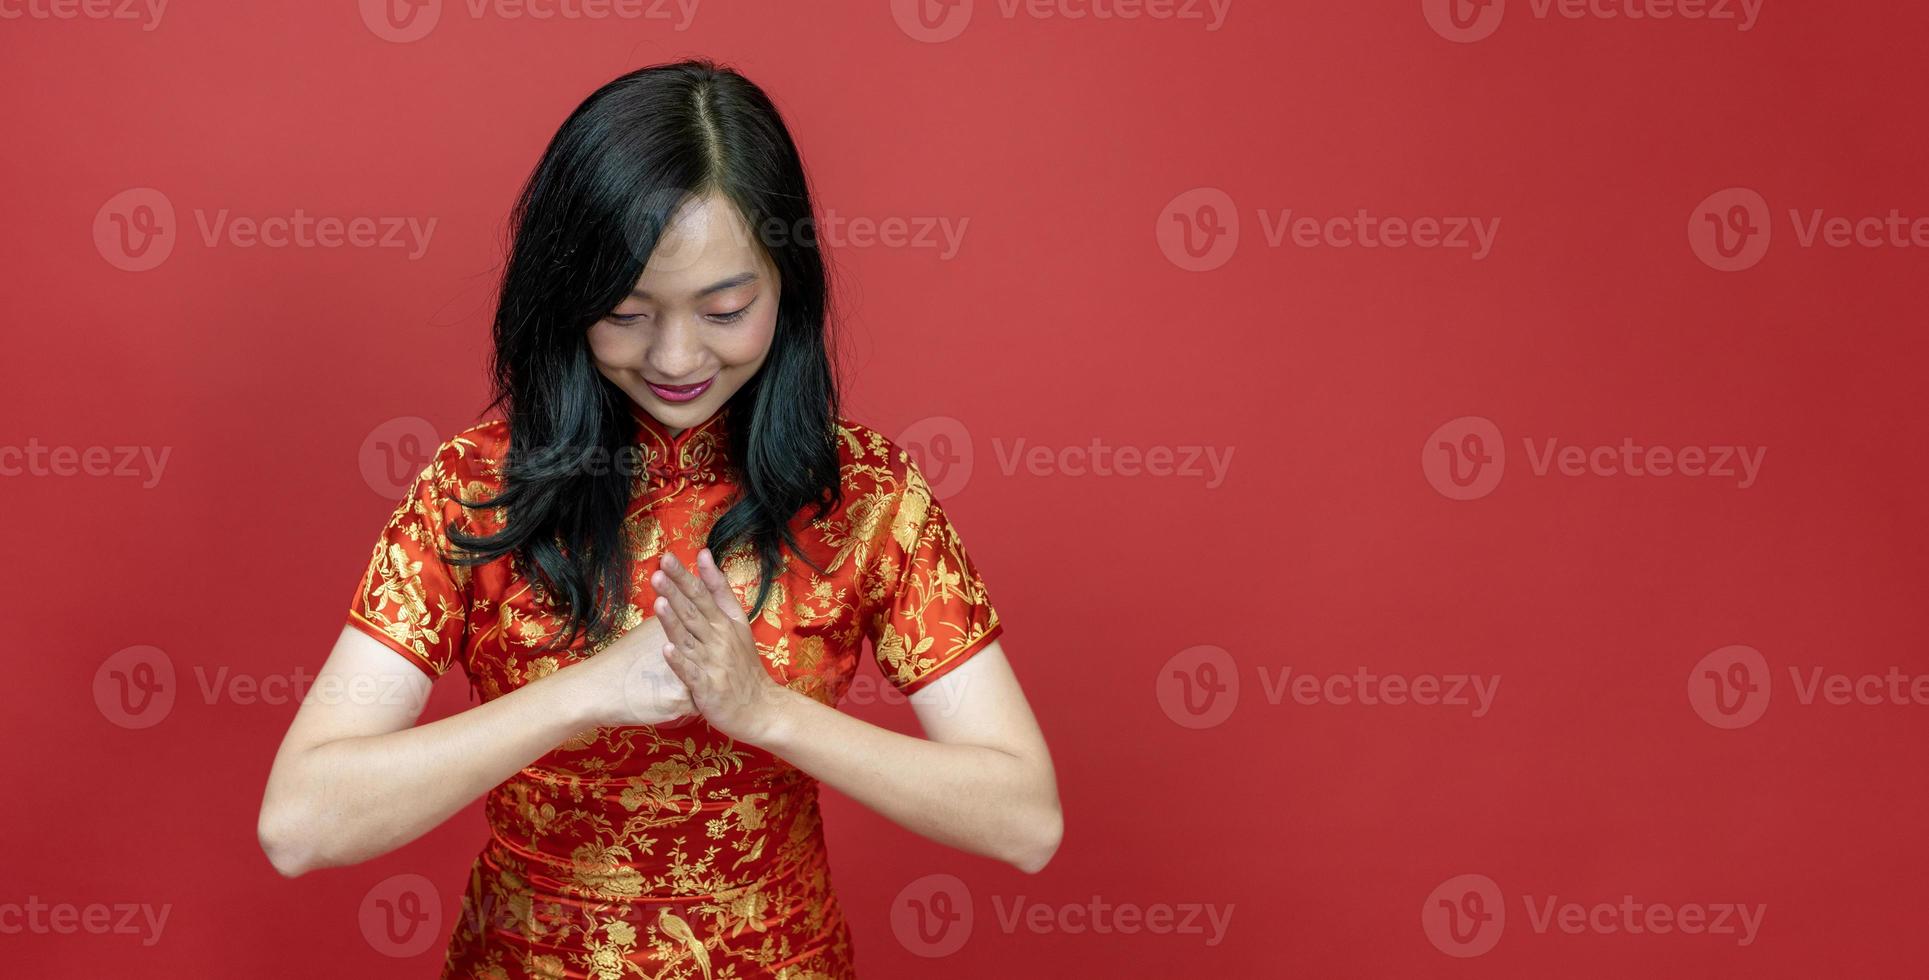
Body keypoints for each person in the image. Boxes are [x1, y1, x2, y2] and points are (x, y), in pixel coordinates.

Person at [256, 58, 1062, 979]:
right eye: (627, 313)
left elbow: (1025, 820)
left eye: (725, 308)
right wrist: (586, 693)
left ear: (785, 286)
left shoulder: (862, 495)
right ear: (567, 299)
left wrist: (762, 711)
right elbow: (299, 823)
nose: (677, 356)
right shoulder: (479, 486)